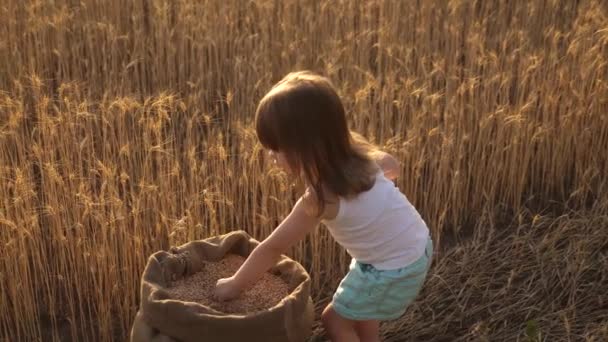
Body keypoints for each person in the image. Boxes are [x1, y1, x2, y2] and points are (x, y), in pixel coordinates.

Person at [214, 71, 433, 342]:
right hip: (417, 245)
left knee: (334, 320)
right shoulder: (365, 158)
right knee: (364, 309)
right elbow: (393, 166)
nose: (270, 157)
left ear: (304, 148)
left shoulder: (319, 199)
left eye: (275, 149)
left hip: (391, 267)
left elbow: (273, 247)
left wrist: (234, 285)